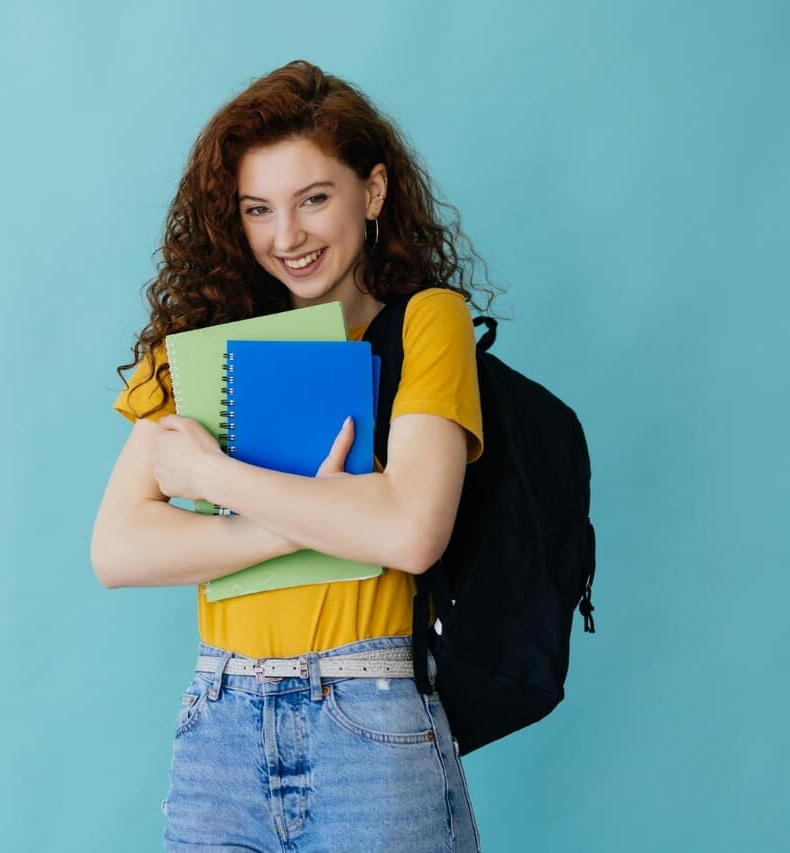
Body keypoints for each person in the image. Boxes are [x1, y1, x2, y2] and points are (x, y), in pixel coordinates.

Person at [91, 59, 504, 852]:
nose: (288, 236)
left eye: (315, 198)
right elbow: (117, 548)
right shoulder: (202, 344)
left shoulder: (427, 322)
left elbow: (413, 531)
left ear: (373, 192)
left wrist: (216, 478)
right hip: (219, 719)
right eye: (258, 209)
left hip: (369, 719)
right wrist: (315, 518)